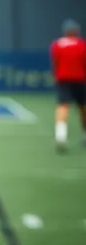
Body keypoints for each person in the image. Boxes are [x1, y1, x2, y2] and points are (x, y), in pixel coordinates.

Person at [50, 19, 86, 152]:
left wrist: (55, 75)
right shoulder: (82, 45)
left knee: (62, 106)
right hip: (80, 80)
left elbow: (55, 62)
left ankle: (61, 136)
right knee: (83, 108)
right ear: (76, 30)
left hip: (63, 80)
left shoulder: (57, 45)